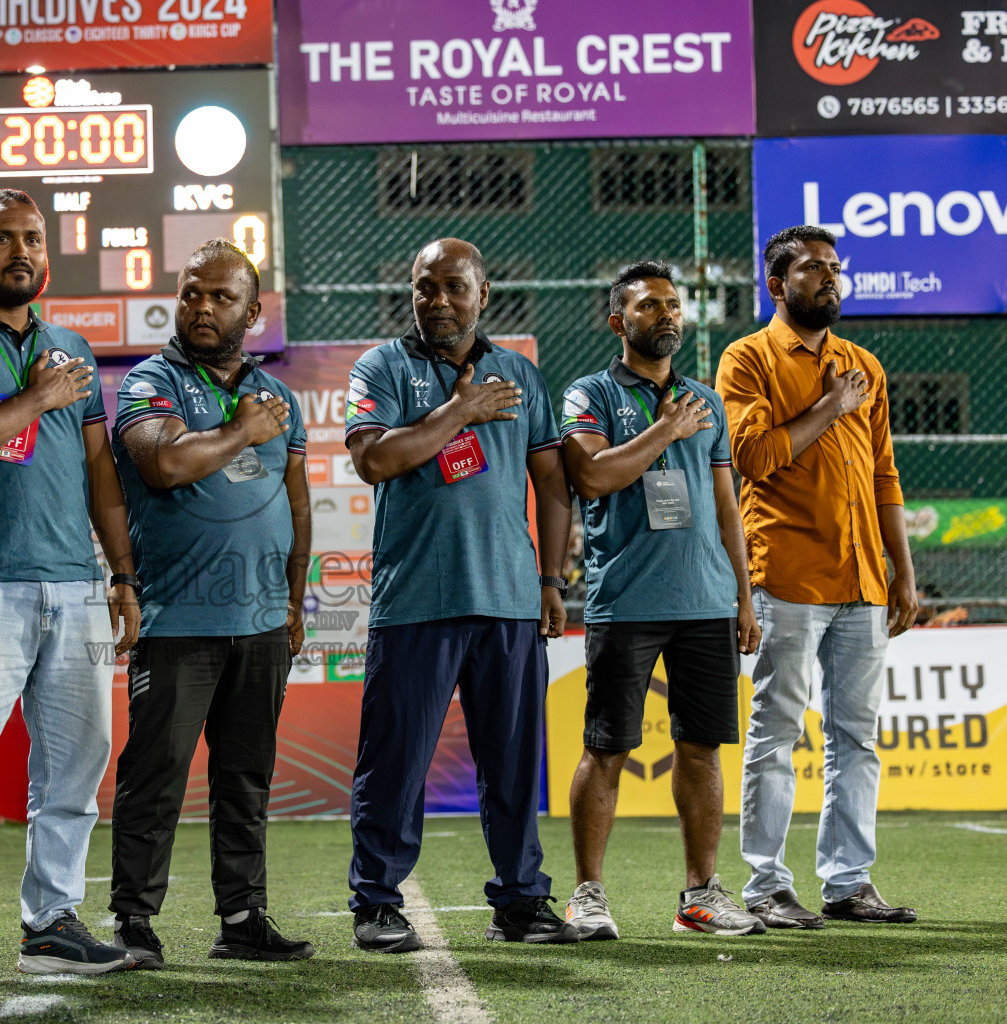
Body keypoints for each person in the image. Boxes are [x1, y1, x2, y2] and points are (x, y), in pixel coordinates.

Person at [0, 188, 141, 978]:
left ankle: (52, 920)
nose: (21, 253)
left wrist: (122, 572)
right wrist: (37, 396)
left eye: (33, 240)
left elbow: (101, 470)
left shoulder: (71, 345)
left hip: (75, 585)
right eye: (2, 239)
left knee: (77, 763)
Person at [343, 237, 575, 951]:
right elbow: (375, 458)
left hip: (508, 600)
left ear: (482, 295)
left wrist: (552, 580)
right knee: (395, 763)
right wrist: (459, 413)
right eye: (424, 286)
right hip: (415, 598)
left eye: (453, 287)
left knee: (512, 765)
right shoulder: (381, 365)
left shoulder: (521, 375)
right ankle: (377, 903)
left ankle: (522, 902)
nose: (437, 300)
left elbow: (553, 484)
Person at [107, 239, 315, 968]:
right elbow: (162, 463)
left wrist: (295, 598)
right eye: (192, 292)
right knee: (155, 775)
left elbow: (295, 500)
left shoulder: (278, 396)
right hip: (176, 619)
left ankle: (243, 916)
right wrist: (240, 431)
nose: (201, 306)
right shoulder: (149, 381)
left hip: (261, 620)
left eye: (220, 297)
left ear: (252, 312)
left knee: (245, 776)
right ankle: (133, 920)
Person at [717, 225, 919, 929]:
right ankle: (767, 885)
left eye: (835, 267)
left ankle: (848, 881)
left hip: (864, 579)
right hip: (788, 577)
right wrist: (832, 407)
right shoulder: (746, 359)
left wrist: (903, 571)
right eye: (812, 269)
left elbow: (885, 475)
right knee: (776, 733)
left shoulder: (864, 363)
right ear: (777, 284)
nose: (829, 278)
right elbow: (752, 458)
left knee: (856, 738)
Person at [558, 261, 765, 940]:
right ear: (618, 321)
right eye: (649, 306)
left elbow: (727, 506)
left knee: (702, 749)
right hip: (627, 600)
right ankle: (588, 895)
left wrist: (743, 597)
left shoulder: (705, 399)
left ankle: (701, 895)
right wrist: (665, 433)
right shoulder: (589, 394)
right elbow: (590, 475)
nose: (667, 315)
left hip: (706, 600)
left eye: (674, 305)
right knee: (607, 748)